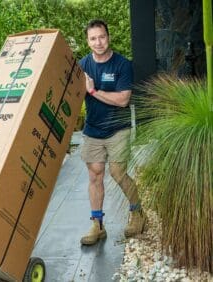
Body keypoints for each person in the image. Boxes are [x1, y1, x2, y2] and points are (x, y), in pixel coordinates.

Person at [78, 19, 146, 245]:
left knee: (117, 172)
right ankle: (97, 224)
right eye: (93, 38)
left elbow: (123, 100)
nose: (98, 42)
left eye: (102, 37)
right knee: (94, 175)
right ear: (87, 41)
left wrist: (93, 91)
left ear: (109, 37)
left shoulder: (122, 65)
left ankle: (137, 212)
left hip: (118, 128)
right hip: (93, 129)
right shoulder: (82, 66)